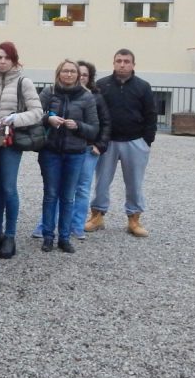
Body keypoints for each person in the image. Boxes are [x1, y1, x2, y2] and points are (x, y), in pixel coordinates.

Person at [0, 42, 43, 259]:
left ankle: (10, 236)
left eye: (7, 57)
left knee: (8, 189)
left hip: (10, 143)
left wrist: (15, 119)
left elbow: (37, 112)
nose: (2, 61)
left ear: (14, 60)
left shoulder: (24, 83)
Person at [86, 48, 157, 237]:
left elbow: (151, 115)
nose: (122, 65)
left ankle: (134, 219)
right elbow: (95, 113)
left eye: (126, 61)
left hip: (135, 141)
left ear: (133, 64)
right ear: (114, 63)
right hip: (107, 142)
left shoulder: (143, 86)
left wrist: (147, 141)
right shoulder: (102, 85)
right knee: (101, 182)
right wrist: (97, 140)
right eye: (119, 61)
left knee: (134, 183)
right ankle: (97, 215)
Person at [36, 59, 100, 254]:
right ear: (58, 73)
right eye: (65, 71)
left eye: (73, 71)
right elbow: (34, 116)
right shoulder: (49, 92)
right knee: (50, 194)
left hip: (75, 153)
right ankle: (48, 236)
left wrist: (78, 126)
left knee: (68, 196)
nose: (69, 74)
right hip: (50, 151)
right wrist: (48, 119)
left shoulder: (87, 97)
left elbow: (94, 128)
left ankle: (64, 237)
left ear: (78, 75)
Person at [70, 61, 111, 240]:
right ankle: (61, 223)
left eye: (85, 75)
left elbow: (106, 123)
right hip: (68, 148)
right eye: (78, 74)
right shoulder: (64, 94)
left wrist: (100, 145)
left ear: (90, 78)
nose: (81, 77)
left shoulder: (96, 97)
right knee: (65, 188)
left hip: (88, 149)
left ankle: (77, 225)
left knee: (82, 188)